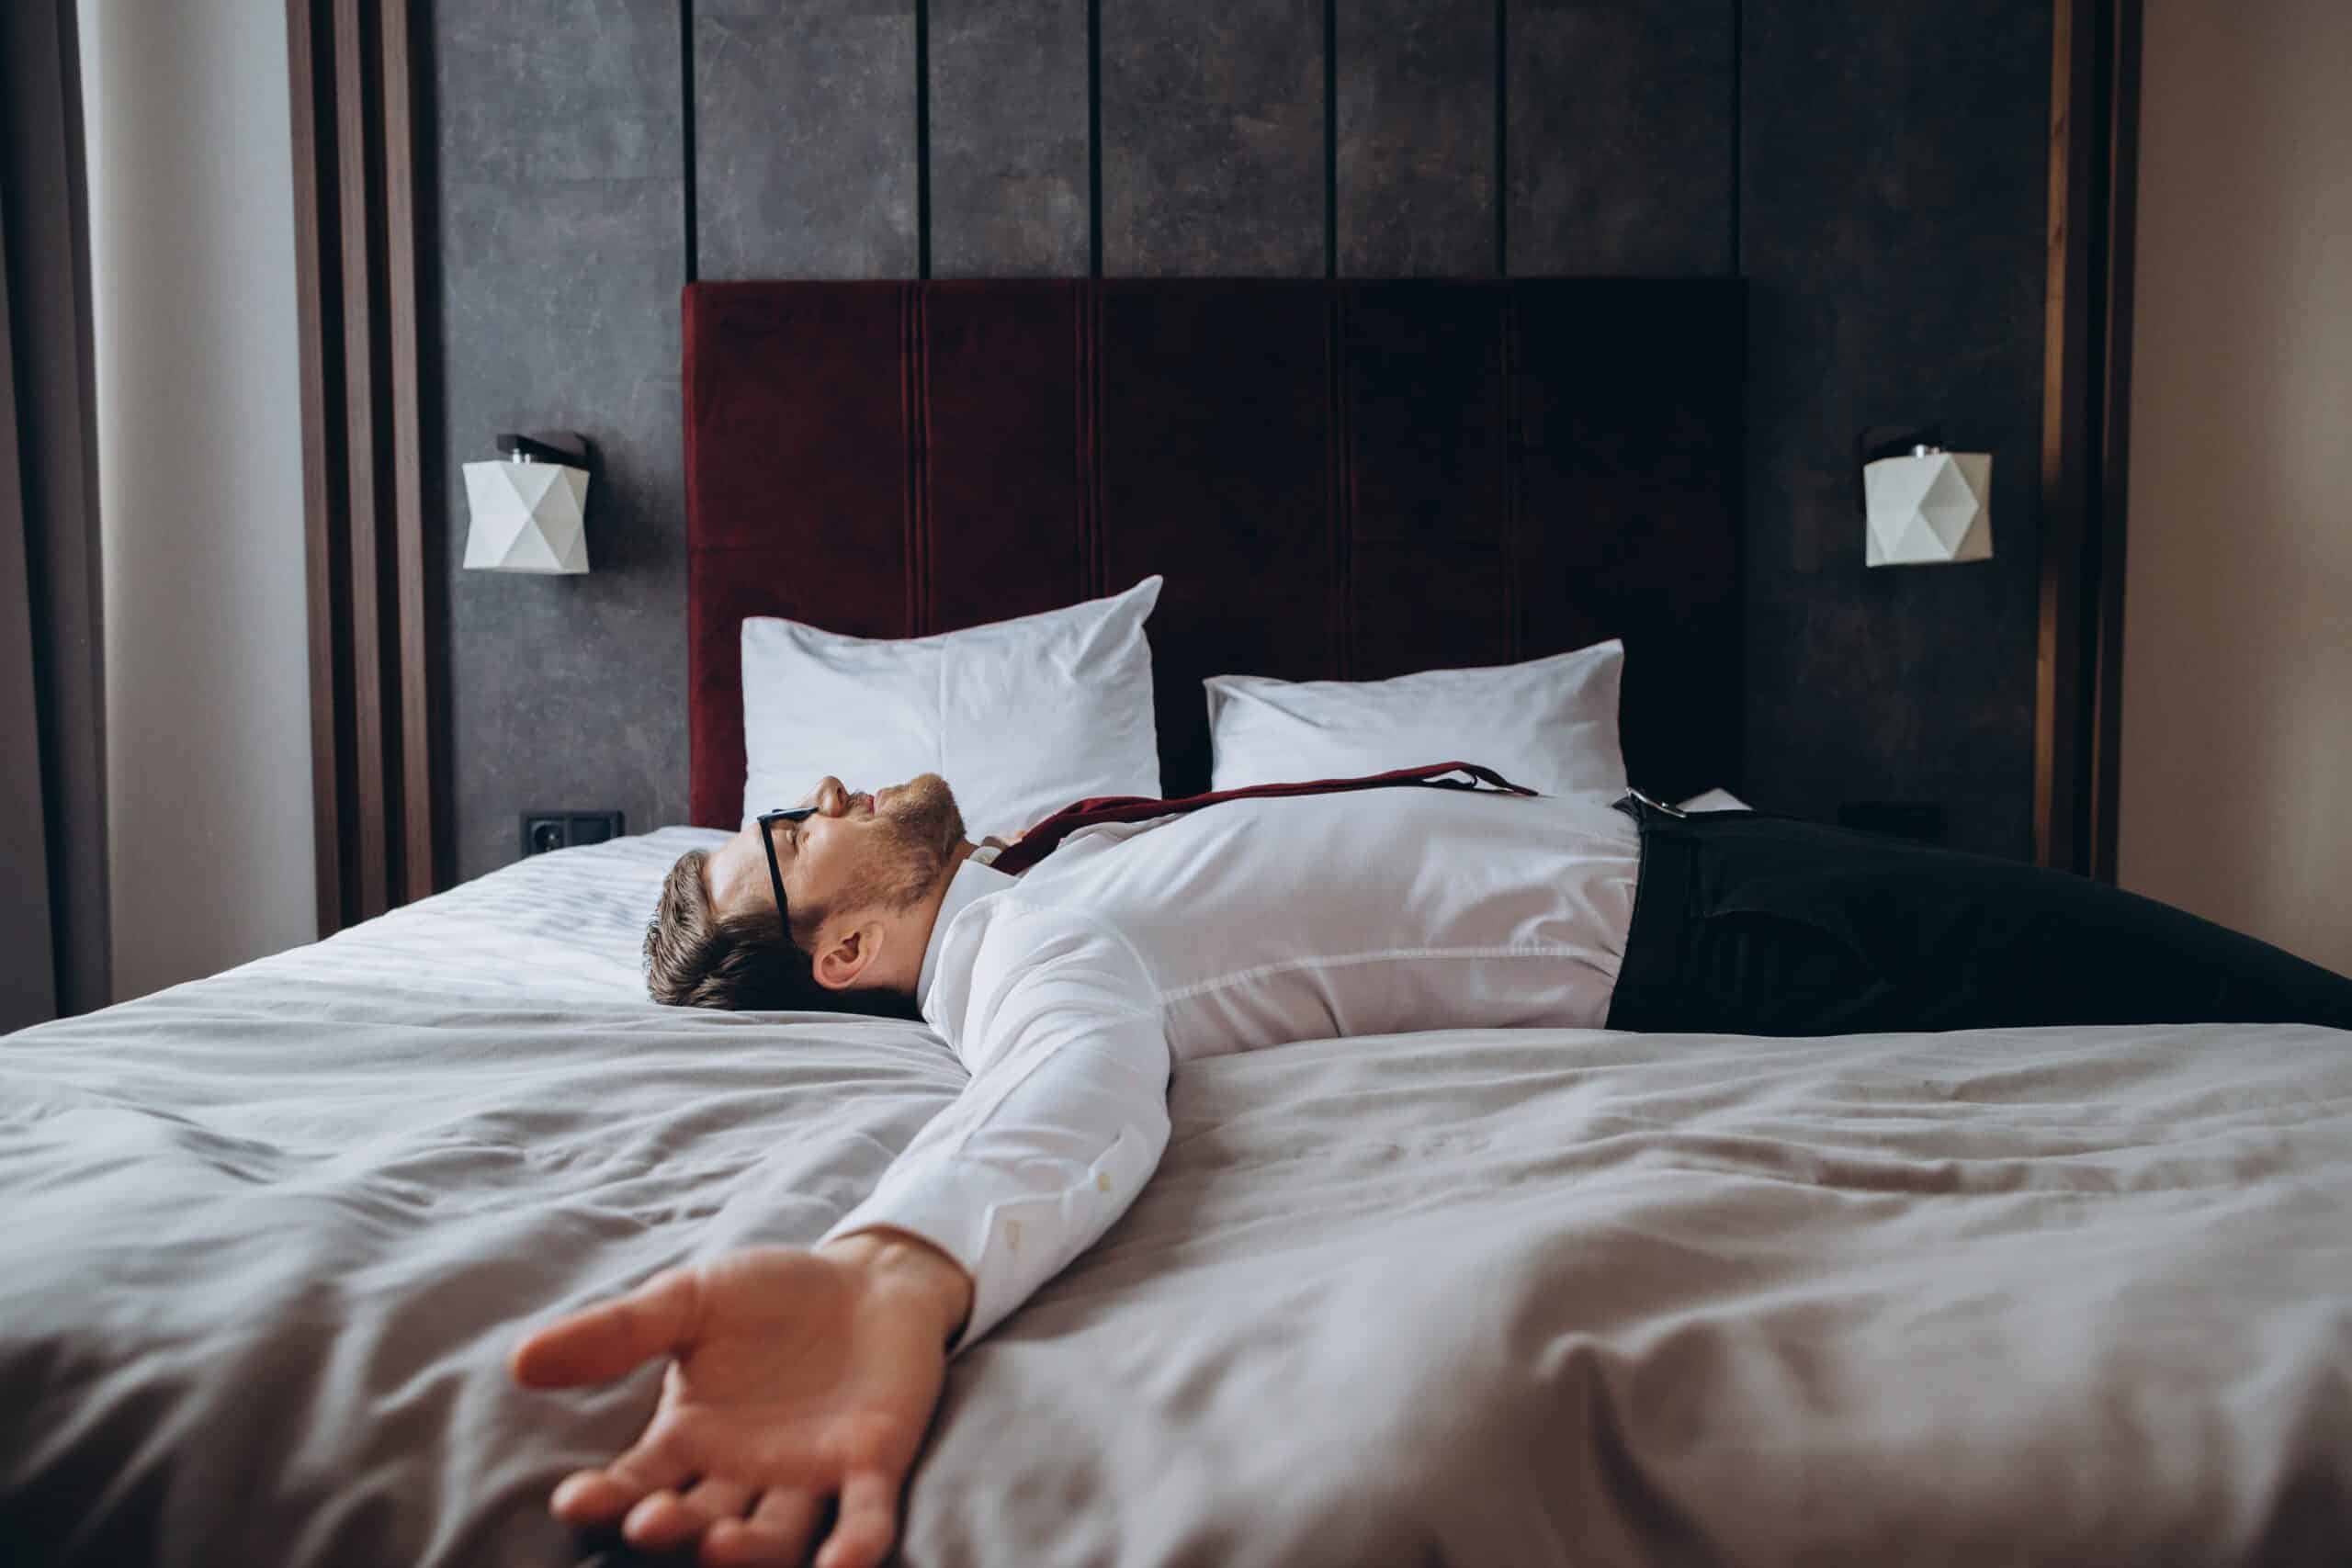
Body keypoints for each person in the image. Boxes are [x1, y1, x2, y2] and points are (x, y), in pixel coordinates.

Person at [508, 766, 2352, 1568]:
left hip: (1712, 883)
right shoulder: (1024, 951)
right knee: (2272, 1003)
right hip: (1731, 926)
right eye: (779, 835)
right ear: (840, 953)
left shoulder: (1035, 885)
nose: (816, 791)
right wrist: (894, 1261)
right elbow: (1070, 1083)